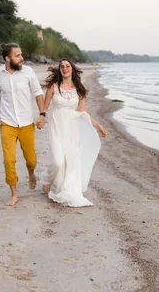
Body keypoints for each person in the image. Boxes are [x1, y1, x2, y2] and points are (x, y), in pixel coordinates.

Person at [41, 58, 107, 207]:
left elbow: (83, 112)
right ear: (59, 69)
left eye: (67, 66)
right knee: (58, 162)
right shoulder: (53, 86)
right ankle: (47, 178)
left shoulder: (79, 89)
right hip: (57, 127)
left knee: (70, 162)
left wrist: (98, 126)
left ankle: (61, 187)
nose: (65, 68)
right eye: (62, 66)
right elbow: (44, 107)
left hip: (72, 129)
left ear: (72, 68)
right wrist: (41, 118)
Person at [0, 43, 46, 206]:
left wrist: (42, 114)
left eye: (21, 54)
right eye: (18, 55)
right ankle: (14, 193)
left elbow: (38, 93)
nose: (22, 58)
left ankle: (31, 172)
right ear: (7, 58)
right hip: (7, 123)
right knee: (9, 160)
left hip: (26, 122)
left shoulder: (28, 72)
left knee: (31, 159)